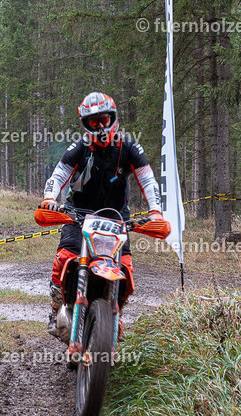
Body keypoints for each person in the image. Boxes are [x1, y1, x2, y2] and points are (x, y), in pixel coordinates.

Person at [36, 92, 165, 353]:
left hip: (116, 219)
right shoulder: (79, 148)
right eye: (93, 123)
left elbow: (148, 180)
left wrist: (155, 212)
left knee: (126, 269)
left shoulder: (129, 147)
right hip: (79, 214)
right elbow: (60, 172)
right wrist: (50, 198)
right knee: (64, 257)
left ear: (113, 117)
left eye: (104, 119)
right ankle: (55, 307)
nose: (101, 126)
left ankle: (113, 316)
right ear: (86, 125)